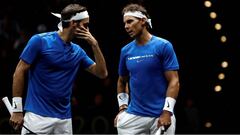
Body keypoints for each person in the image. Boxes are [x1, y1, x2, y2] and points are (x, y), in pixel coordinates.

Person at [9, 3, 108, 135]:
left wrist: (94, 44)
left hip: (64, 120)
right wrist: (17, 110)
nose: (88, 29)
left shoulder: (78, 51)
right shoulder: (39, 41)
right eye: (85, 24)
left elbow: (102, 73)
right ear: (74, 23)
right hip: (37, 118)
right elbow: (19, 72)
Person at [114, 3, 180, 135]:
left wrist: (167, 111)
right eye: (124, 23)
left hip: (161, 116)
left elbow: (174, 81)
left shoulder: (163, 46)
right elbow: (122, 81)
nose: (126, 26)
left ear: (143, 21)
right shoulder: (126, 51)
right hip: (134, 116)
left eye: (130, 21)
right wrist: (122, 108)